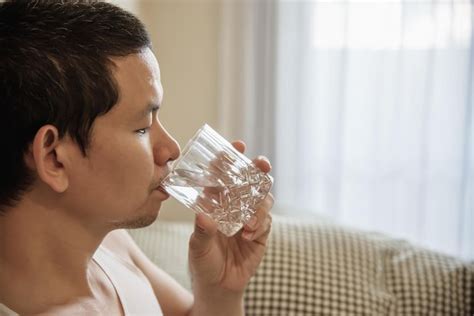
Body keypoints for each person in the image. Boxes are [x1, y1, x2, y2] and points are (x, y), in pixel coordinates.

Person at [0, 1, 274, 315]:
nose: (171, 149)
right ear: (54, 159)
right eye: (143, 128)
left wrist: (220, 293)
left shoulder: (111, 247)